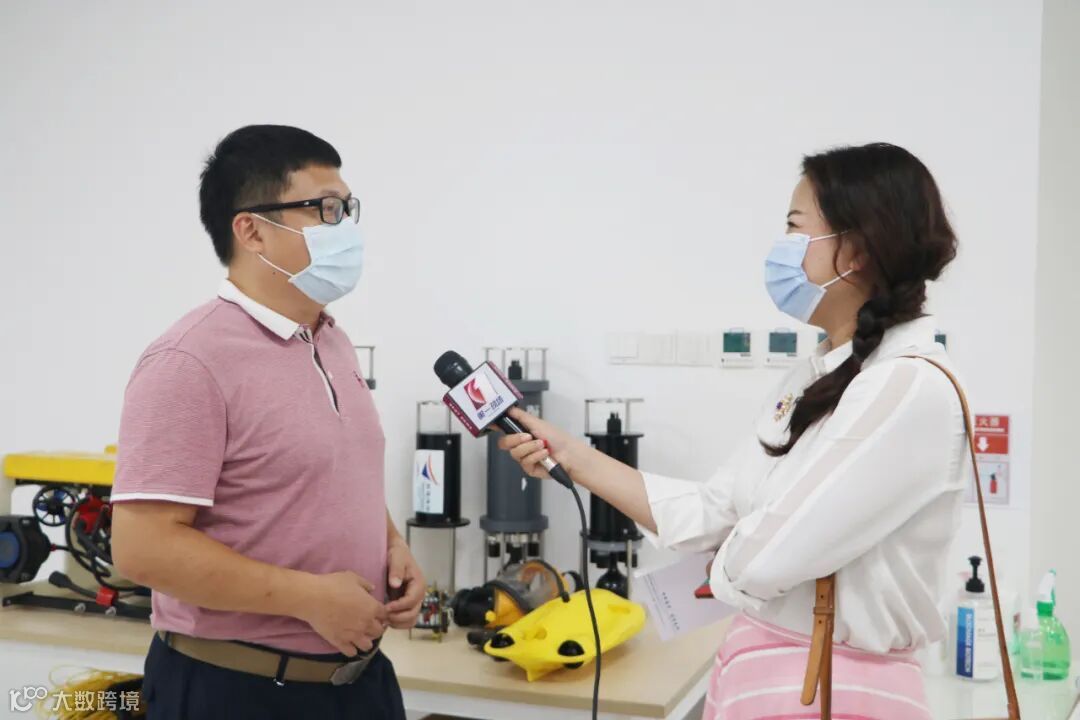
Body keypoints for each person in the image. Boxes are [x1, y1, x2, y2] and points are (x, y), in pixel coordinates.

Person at [499, 143, 965, 719]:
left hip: (835, 691)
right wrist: (570, 454)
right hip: (771, 673)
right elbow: (714, 512)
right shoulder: (817, 376)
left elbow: (767, 559)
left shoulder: (907, 387)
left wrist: (727, 561)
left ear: (857, 249)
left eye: (794, 227)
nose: (781, 247)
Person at [111, 125, 420, 720]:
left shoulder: (330, 340)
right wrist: (309, 598)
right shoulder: (189, 360)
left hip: (359, 682)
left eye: (346, 208)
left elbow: (329, 472)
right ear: (251, 230)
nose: (344, 228)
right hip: (237, 687)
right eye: (324, 209)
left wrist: (392, 546)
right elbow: (142, 548)